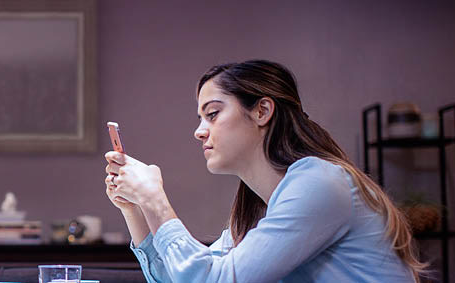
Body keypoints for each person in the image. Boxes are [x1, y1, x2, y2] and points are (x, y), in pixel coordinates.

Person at [103, 60, 424, 282]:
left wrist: (156, 200)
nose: (199, 131)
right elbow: (180, 278)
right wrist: (136, 208)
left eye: (212, 114)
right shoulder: (261, 208)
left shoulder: (321, 184)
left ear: (262, 111)